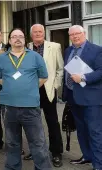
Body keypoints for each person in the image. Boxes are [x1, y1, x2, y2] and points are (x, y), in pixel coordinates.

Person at [0, 28, 52, 170]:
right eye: (14, 36)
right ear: (9, 40)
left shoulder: (35, 56)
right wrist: (11, 87)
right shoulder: (2, 58)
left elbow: (44, 77)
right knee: (12, 143)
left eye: (21, 36)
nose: (18, 39)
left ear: (25, 40)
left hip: (30, 106)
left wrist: (30, 87)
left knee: (37, 143)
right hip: (9, 107)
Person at [23, 24, 64, 167]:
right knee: (32, 123)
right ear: (31, 34)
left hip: (47, 90)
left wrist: (55, 85)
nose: (38, 34)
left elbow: (60, 69)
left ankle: (56, 152)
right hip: (30, 91)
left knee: (52, 121)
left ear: (44, 33)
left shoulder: (54, 46)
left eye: (40, 31)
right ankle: (36, 150)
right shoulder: (25, 47)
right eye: (35, 32)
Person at [62, 25, 102, 170]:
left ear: (84, 33)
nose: (75, 36)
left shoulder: (97, 50)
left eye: (78, 33)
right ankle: (87, 156)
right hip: (73, 96)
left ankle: (99, 164)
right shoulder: (68, 50)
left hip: (92, 98)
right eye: (72, 34)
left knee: (95, 131)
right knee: (81, 129)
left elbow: (100, 71)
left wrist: (84, 77)